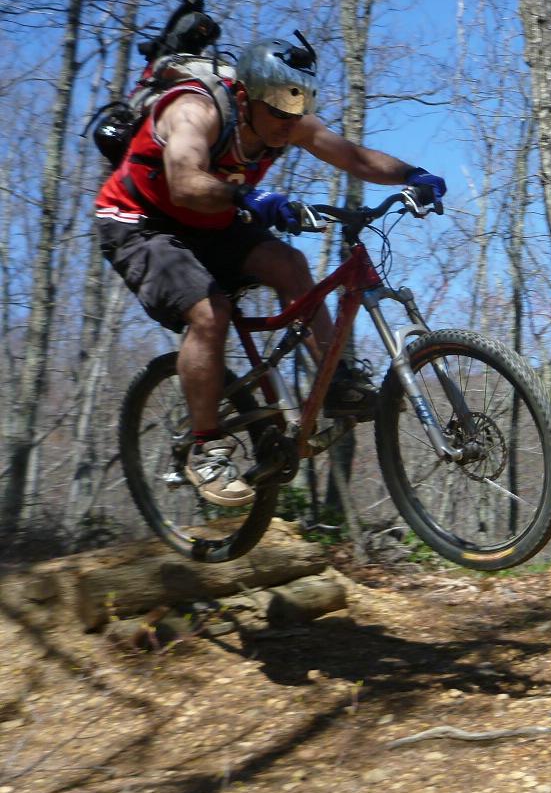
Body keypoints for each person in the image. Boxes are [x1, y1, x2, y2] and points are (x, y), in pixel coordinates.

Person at [95, 35, 447, 508]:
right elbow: (183, 181)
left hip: (210, 223)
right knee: (209, 311)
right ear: (245, 97)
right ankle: (206, 449)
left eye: (299, 102)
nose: (289, 119)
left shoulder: (289, 124)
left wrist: (413, 175)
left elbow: (355, 158)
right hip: (139, 223)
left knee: (291, 265)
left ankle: (336, 381)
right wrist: (249, 197)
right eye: (279, 105)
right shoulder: (194, 112)